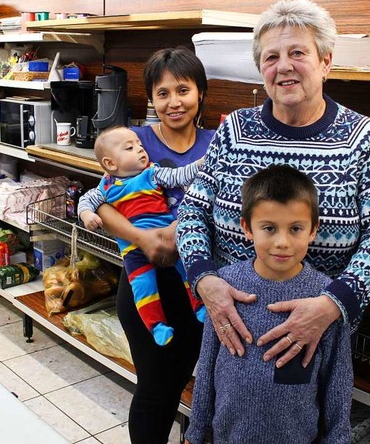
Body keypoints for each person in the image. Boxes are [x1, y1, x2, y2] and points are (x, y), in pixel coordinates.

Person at [176, 0, 370, 370]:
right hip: (235, 328)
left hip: (319, 334)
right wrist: (205, 283)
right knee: (228, 417)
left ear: (325, 61)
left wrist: (331, 306)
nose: (284, 67)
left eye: (298, 52)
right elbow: (192, 212)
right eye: (270, 57)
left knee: (308, 422)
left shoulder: (361, 136)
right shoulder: (234, 130)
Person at [93, 47, 215, 443]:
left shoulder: (216, 143)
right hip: (148, 284)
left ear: (200, 93)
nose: (174, 102)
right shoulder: (132, 141)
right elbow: (104, 202)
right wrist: (145, 238)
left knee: (188, 381)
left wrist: (180, 230)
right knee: (154, 389)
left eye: (183, 90)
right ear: (151, 99)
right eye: (162, 93)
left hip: (201, 283)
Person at [185, 165, 352, 444]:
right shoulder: (225, 286)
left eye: (296, 228)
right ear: (247, 228)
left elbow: (338, 380)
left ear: (314, 230)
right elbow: (207, 365)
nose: (283, 242)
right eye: (269, 228)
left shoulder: (326, 299)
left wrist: (338, 439)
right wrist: (196, 430)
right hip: (228, 437)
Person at [78, 126, 206, 347]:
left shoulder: (152, 172)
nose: (140, 150)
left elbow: (180, 175)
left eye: (139, 145)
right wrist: (87, 215)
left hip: (170, 242)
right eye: (130, 148)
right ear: (110, 164)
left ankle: (200, 305)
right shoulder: (105, 186)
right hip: (133, 251)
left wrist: (200, 164)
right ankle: (156, 325)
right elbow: (86, 201)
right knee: (143, 287)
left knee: (189, 269)